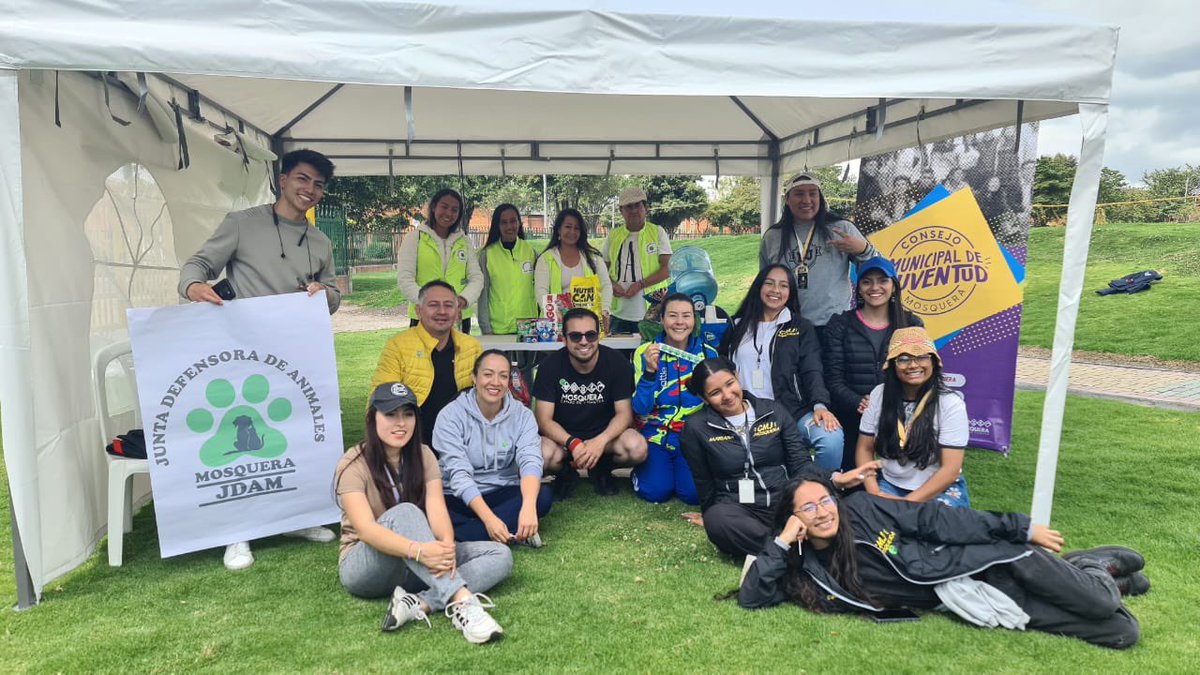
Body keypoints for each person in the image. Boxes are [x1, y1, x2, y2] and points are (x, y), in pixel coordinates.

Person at [738, 477, 1143, 650]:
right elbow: (752, 597)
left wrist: (1019, 529)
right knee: (1123, 631)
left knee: (1100, 605)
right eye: (808, 508)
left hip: (994, 563)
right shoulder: (808, 570)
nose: (823, 511)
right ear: (794, 519)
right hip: (968, 595)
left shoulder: (862, 509)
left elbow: (936, 521)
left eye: (825, 500)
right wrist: (782, 542)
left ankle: (1092, 566)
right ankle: (1098, 578)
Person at [177, 148, 340, 571]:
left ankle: (298, 518)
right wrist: (193, 286)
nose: (310, 190)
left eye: (319, 185)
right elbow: (198, 264)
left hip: (298, 354)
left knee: (297, 435)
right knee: (242, 437)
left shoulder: (321, 241)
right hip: (244, 355)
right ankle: (238, 531)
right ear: (282, 179)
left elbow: (334, 293)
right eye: (303, 179)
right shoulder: (241, 224)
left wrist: (326, 296)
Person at [336, 382, 511, 644]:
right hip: (366, 565)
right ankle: (464, 604)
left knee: (500, 555)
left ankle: (419, 603)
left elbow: (438, 511)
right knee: (405, 511)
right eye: (390, 414)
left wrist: (446, 545)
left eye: (407, 414)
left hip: (419, 563)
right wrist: (420, 551)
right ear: (372, 418)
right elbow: (366, 530)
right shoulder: (352, 463)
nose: (400, 423)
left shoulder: (424, 454)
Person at [678, 357, 879, 558]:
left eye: (730, 384)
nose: (727, 395)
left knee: (853, 504)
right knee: (717, 520)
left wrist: (835, 479)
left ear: (737, 376)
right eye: (715, 393)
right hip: (740, 509)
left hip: (785, 502)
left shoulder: (772, 411)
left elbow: (800, 462)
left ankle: (786, 543)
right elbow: (703, 479)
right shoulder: (696, 428)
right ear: (704, 399)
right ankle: (792, 548)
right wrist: (709, 514)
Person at [719, 265, 843, 471]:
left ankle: (821, 489)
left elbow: (812, 369)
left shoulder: (800, 327)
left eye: (783, 285)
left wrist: (820, 405)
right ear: (758, 287)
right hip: (745, 413)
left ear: (790, 293)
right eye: (769, 283)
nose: (776, 290)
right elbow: (722, 369)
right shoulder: (735, 326)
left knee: (831, 439)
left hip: (791, 411)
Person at [434, 350, 553, 545]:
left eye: (503, 376)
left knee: (542, 497)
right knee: (428, 506)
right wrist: (489, 519)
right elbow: (458, 474)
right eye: (488, 374)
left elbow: (530, 460)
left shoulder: (522, 415)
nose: (495, 382)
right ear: (474, 377)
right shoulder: (450, 415)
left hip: (501, 490)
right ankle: (505, 529)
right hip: (458, 497)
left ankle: (465, 534)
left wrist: (529, 508)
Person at [534, 308, 647, 498]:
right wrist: (573, 443)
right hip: (562, 441)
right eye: (575, 336)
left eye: (590, 335)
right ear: (564, 339)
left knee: (637, 447)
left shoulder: (617, 363)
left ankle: (602, 469)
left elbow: (624, 414)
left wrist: (600, 442)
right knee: (541, 454)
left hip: (605, 440)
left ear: (599, 336)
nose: (584, 341)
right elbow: (543, 420)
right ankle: (565, 473)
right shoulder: (549, 366)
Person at [822, 257, 922, 471]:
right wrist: (860, 403)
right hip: (851, 419)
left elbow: (921, 373)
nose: (875, 287)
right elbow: (833, 379)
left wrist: (888, 403)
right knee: (855, 484)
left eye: (882, 280)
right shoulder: (839, 325)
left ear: (893, 286)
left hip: (899, 416)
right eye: (867, 281)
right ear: (858, 289)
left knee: (901, 482)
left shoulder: (911, 324)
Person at [856, 326, 969, 507]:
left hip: (939, 489)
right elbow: (864, 449)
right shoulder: (879, 394)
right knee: (876, 529)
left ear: (933, 362)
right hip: (889, 484)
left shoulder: (950, 403)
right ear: (892, 364)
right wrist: (874, 492)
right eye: (904, 359)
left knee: (930, 528)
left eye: (922, 357)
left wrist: (906, 505)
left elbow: (951, 470)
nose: (913, 365)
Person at [759, 173, 878, 332]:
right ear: (787, 199)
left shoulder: (841, 229)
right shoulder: (773, 236)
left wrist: (864, 250)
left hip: (834, 326)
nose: (807, 200)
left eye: (813, 193)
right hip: (786, 325)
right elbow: (763, 283)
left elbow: (880, 271)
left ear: (820, 198)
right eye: (799, 194)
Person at [371, 281, 482, 451]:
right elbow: (380, 399)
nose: (442, 312)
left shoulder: (471, 347)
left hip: (462, 444)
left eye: (448, 305)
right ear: (418, 311)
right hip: (413, 444)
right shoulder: (398, 346)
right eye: (433, 305)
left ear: (458, 313)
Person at [630, 293, 717, 504]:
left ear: (694, 321)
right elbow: (641, 408)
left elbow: (718, 404)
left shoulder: (709, 354)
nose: (679, 322)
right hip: (656, 435)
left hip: (693, 436)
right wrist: (650, 373)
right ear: (661, 320)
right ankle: (645, 471)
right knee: (655, 492)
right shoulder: (645, 351)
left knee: (693, 495)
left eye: (686, 316)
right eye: (672, 316)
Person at [397, 188, 483, 334]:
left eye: (454, 209)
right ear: (433, 207)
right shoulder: (414, 238)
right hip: (423, 318)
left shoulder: (465, 241)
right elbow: (405, 279)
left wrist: (462, 300)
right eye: (444, 207)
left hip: (458, 317)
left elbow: (476, 278)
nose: (449, 213)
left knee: (458, 357)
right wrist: (431, 305)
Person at [602, 187, 672, 334]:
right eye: (628, 206)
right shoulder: (613, 236)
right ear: (621, 210)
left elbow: (667, 269)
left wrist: (641, 285)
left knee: (651, 355)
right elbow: (601, 268)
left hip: (653, 310)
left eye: (637, 205)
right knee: (618, 355)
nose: (633, 210)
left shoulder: (657, 232)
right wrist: (611, 284)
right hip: (618, 312)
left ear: (645, 208)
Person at [533, 208, 612, 328]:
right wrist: (554, 314)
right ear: (559, 229)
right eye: (568, 227)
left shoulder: (594, 258)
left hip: (588, 325)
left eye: (576, 228)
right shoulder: (545, 259)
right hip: (556, 326)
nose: (572, 232)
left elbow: (606, 285)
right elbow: (541, 291)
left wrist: (605, 310)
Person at [477, 204, 538, 335]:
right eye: (504, 223)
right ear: (497, 226)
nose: (509, 226)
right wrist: (486, 328)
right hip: (498, 329)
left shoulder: (531, 252)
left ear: (519, 223)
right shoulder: (487, 255)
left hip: (528, 329)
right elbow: (483, 295)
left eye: (513, 221)